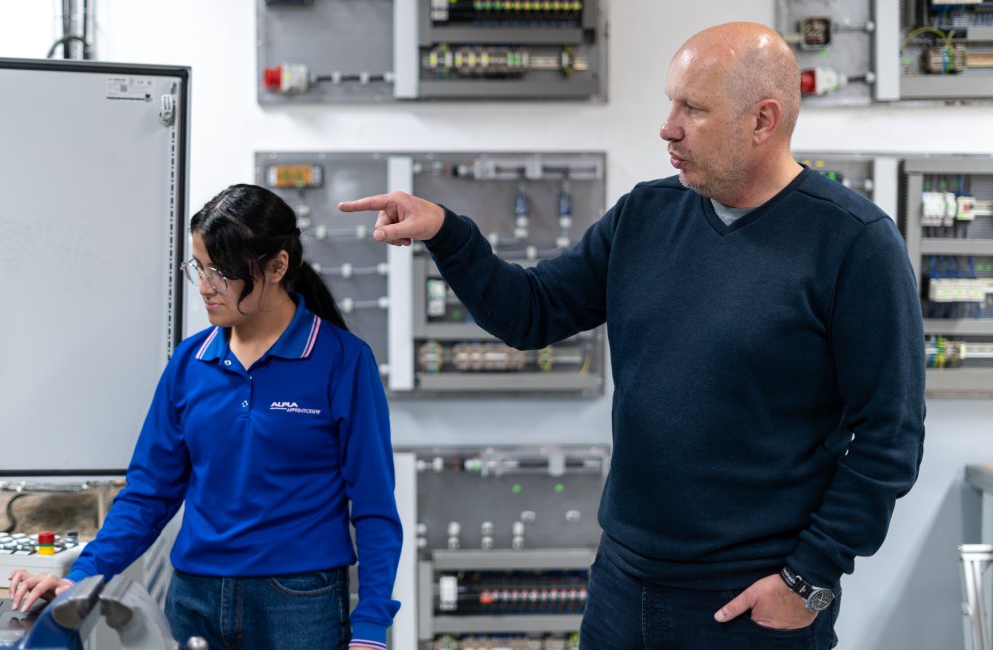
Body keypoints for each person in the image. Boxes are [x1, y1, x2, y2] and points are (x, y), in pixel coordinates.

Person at [338, 22, 924, 650]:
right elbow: (529, 313)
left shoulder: (853, 243)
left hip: (749, 599)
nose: (667, 126)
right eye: (671, 102)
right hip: (623, 584)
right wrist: (449, 234)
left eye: (692, 109)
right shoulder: (645, 216)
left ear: (763, 120)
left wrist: (808, 579)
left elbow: (889, 436)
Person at [9, 183, 402, 650]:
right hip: (193, 597)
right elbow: (148, 495)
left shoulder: (341, 360)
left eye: (222, 272)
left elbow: (375, 506)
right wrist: (82, 576)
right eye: (199, 266)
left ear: (277, 266)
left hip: (299, 602)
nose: (204, 286)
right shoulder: (191, 362)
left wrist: (372, 626)